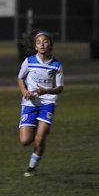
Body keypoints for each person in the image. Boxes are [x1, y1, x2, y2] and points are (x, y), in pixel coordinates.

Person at [17, 31, 64, 177]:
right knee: (25, 141)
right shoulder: (29, 61)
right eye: (39, 42)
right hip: (30, 103)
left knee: (40, 137)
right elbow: (20, 78)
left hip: (47, 103)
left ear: (50, 45)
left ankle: (32, 168)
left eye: (45, 42)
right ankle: (36, 125)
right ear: (35, 46)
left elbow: (60, 88)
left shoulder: (56, 65)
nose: (42, 44)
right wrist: (24, 91)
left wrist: (46, 91)